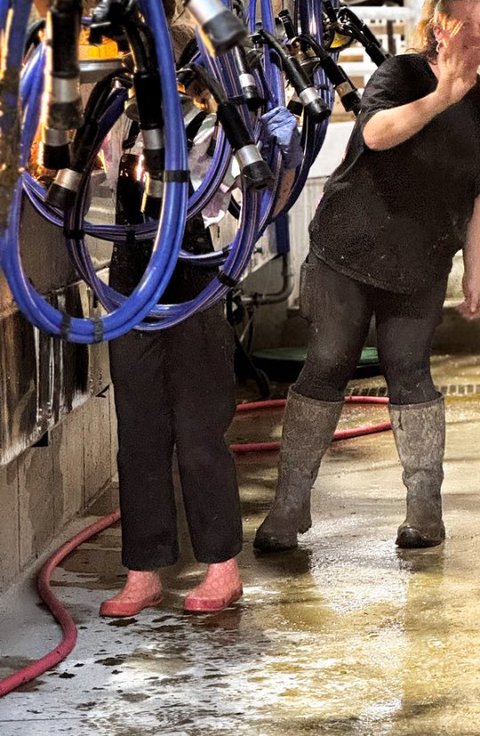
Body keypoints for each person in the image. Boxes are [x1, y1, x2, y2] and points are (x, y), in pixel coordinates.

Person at [254, 0, 480, 554]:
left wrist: (475, 271)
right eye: (465, 22)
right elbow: (375, 134)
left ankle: (425, 511)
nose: (478, 34)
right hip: (347, 251)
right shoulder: (401, 74)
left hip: (420, 266)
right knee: (327, 364)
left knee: (410, 371)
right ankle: (288, 508)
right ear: (437, 27)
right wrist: (442, 96)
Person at [100, 104, 302, 618]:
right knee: (139, 434)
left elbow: (264, 206)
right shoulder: (116, 121)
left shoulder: (212, 127)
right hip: (130, 279)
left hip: (194, 276)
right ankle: (143, 572)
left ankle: (222, 569)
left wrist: (287, 158)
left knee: (198, 434)